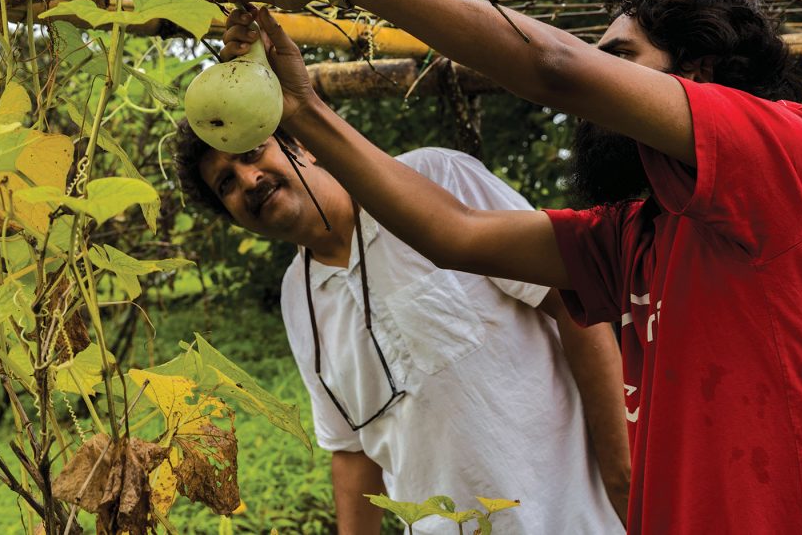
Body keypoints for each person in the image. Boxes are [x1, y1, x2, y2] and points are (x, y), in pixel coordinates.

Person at [215, 0, 802, 534]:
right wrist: (304, 109)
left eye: (620, 56)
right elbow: (453, 234)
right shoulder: (637, 232)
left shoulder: (793, 156)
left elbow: (555, 67)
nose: (600, 78)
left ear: (700, 76)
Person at [174, 123, 629, 534]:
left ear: (301, 146)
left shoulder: (432, 177)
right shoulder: (298, 297)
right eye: (226, 183)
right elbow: (352, 452)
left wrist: (622, 476)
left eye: (252, 153)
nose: (249, 181)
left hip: (576, 515)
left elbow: (574, 306)